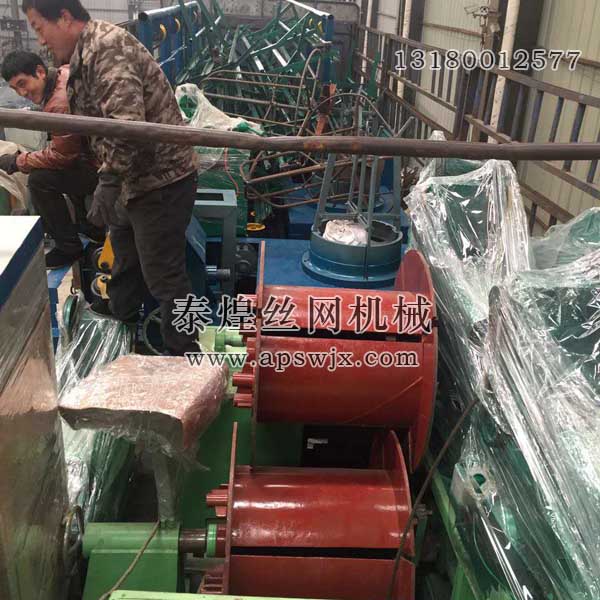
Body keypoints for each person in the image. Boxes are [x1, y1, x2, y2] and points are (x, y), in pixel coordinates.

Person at [23, 0, 200, 355]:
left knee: (164, 275)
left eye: (39, 28)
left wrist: (108, 182)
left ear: (65, 18)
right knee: (124, 250)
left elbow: (127, 124)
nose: (40, 41)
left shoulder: (107, 47)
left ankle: (184, 351)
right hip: (134, 177)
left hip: (161, 179)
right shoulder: (84, 55)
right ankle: (121, 311)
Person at [0, 50, 103, 269]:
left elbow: (62, 156)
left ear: (40, 72)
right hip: (97, 155)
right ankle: (89, 226)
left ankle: (68, 247)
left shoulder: (58, 103)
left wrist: (17, 162)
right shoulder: (63, 74)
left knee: (40, 180)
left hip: (103, 167)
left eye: (23, 83)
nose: (22, 93)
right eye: (15, 88)